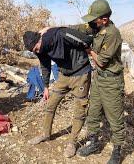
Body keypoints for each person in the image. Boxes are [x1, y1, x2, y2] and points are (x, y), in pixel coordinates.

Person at [23, 27, 93, 158]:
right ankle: (46, 134)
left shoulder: (60, 34)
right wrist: (45, 87)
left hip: (81, 74)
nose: (36, 51)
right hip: (63, 75)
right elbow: (45, 66)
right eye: (33, 51)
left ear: (40, 39)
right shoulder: (39, 49)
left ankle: (72, 143)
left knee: (80, 109)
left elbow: (86, 39)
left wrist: (86, 50)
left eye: (36, 49)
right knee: (51, 104)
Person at [72, 0, 124, 164]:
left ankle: (117, 151)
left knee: (115, 118)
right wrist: (58, 30)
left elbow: (101, 62)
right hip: (99, 79)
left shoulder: (112, 34)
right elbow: (81, 28)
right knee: (93, 113)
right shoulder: (97, 27)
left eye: (95, 19)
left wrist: (88, 50)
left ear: (104, 19)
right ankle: (94, 143)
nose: (92, 22)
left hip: (111, 82)